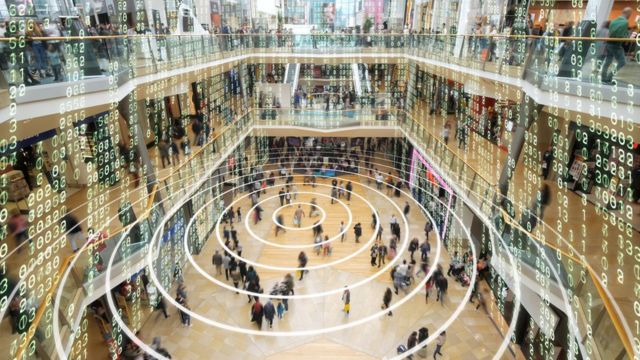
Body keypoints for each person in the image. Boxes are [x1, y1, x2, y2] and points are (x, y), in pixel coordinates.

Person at [601, 7, 633, 84]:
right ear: (628, 14)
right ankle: (609, 77)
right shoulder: (625, 22)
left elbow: (610, 33)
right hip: (616, 45)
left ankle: (603, 78)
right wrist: (627, 38)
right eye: (630, 14)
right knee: (622, 62)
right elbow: (622, 36)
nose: (630, 16)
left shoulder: (613, 21)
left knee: (607, 61)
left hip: (609, 44)